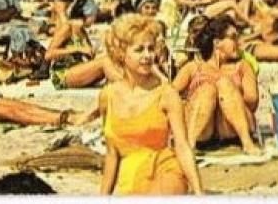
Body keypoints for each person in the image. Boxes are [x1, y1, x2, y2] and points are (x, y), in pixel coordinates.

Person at [99, 14, 205, 194]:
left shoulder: (166, 93)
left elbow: (182, 146)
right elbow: (112, 154)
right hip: (130, 180)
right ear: (121, 54)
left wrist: (199, 192)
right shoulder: (107, 96)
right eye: (139, 50)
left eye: (150, 49)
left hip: (165, 170)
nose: (148, 56)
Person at [172, 16, 262, 154]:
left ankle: (247, 143)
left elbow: (252, 101)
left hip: (231, 128)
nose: (238, 42)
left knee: (224, 84)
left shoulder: (242, 66)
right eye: (233, 38)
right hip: (203, 129)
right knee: (207, 90)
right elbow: (169, 96)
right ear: (217, 42)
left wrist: (228, 96)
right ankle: (189, 146)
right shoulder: (193, 68)